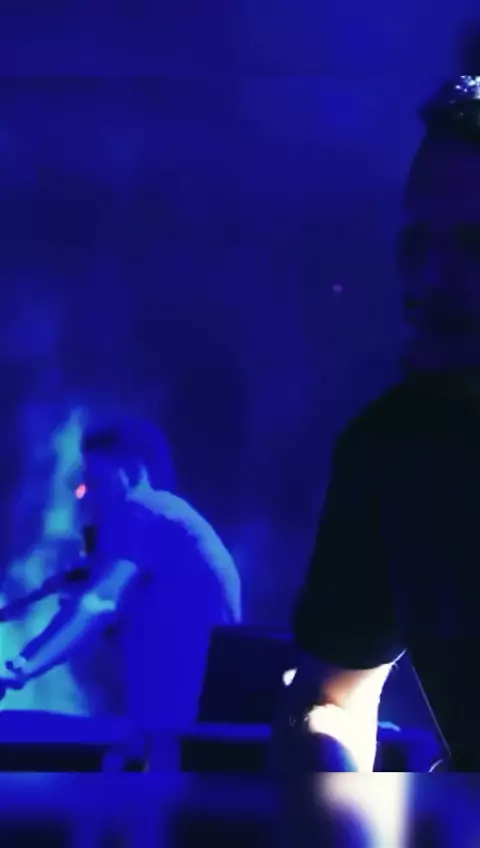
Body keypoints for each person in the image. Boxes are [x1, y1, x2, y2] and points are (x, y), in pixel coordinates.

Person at [274, 73, 480, 775]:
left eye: (478, 244)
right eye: (418, 240)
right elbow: (331, 696)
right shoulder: (392, 452)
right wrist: (332, 793)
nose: (430, 277)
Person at [0, 416, 242, 761]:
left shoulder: (141, 509)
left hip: (177, 717)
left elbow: (98, 603)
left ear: (131, 468)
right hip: (183, 713)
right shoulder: (171, 517)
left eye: (95, 481)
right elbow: (89, 602)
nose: (88, 496)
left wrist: (21, 669)